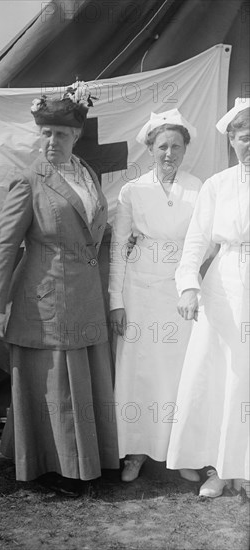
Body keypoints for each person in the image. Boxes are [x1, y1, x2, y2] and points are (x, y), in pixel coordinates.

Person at [0, 82, 119, 497]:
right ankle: (55, 465)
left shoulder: (88, 174)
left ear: (76, 135)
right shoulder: (29, 180)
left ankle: (89, 459)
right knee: (55, 385)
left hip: (87, 296)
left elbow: (93, 231)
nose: (52, 141)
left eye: (60, 133)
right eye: (46, 133)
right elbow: (5, 246)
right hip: (47, 300)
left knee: (85, 379)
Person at [109, 109, 202, 482]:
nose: (169, 154)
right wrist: (116, 300)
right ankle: (136, 451)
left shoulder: (198, 188)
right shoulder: (132, 190)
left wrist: (193, 286)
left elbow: (201, 242)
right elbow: (118, 246)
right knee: (139, 372)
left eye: (176, 146)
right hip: (140, 289)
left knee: (178, 372)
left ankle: (182, 453)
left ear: (185, 149)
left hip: (179, 291)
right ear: (150, 147)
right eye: (162, 146)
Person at [167, 98, 250, 497]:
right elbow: (196, 243)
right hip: (224, 287)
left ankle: (247, 469)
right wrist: (188, 286)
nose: (248, 145)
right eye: (242, 138)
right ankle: (218, 468)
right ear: (231, 141)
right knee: (217, 374)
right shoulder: (217, 185)